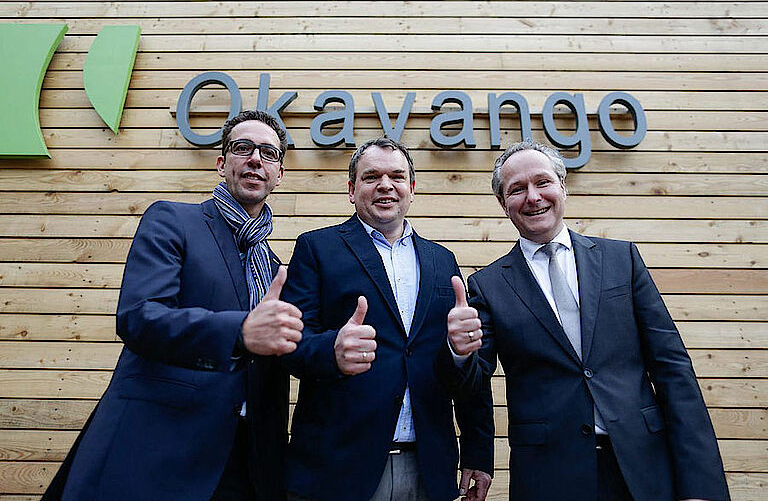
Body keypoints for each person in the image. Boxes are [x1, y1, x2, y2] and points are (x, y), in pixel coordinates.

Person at [438, 141, 730, 501]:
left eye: (543, 182)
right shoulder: (488, 285)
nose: (533, 197)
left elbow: (673, 369)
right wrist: (459, 351)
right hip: (548, 477)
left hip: (642, 468)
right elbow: (471, 387)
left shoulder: (622, 260)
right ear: (503, 203)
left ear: (563, 187)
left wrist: (700, 486)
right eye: (517, 189)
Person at [42, 110, 303, 501]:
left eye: (268, 153)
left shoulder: (274, 266)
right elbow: (140, 316)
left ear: (279, 174)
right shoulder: (172, 221)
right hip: (159, 451)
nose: (255, 159)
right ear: (222, 163)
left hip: (247, 464)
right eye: (243, 148)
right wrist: (239, 332)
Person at [280, 138, 494, 501]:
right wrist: (332, 350)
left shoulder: (442, 260)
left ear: (412, 188)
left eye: (396, 176)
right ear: (352, 190)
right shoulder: (316, 249)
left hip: (429, 468)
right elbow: (291, 345)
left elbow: (468, 361)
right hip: (340, 469)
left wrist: (477, 450)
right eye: (371, 177)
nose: (385, 185)